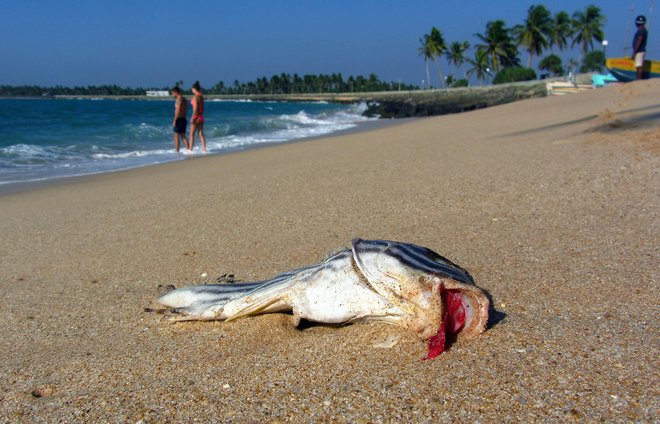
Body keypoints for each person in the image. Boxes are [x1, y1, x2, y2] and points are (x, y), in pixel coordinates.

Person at [189, 81, 207, 153]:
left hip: (196, 116)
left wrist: (192, 117)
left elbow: (195, 108)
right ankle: (204, 149)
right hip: (201, 117)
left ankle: (190, 150)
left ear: (194, 89)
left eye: (192, 89)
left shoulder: (195, 97)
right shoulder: (201, 97)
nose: (192, 90)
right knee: (201, 134)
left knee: (191, 134)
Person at [171, 86, 190, 152]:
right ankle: (188, 149)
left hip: (179, 118)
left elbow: (178, 110)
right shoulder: (184, 99)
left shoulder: (178, 99)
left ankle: (177, 151)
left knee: (176, 135)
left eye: (173, 93)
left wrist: (175, 120)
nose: (172, 95)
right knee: (183, 136)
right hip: (184, 118)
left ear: (176, 92)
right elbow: (186, 109)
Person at [632, 15, 648, 80]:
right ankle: (638, 79)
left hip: (640, 51)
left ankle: (639, 80)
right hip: (640, 50)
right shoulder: (643, 30)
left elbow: (639, 40)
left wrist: (634, 52)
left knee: (639, 66)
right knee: (638, 66)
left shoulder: (641, 30)